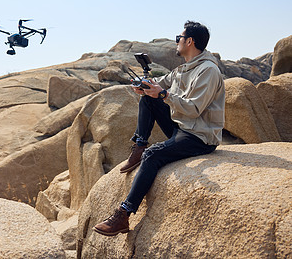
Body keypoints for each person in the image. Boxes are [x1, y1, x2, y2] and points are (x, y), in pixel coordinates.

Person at [93, 21, 225, 236]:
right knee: (148, 100)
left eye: (179, 38)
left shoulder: (208, 71)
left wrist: (163, 95)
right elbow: (162, 83)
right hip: (182, 127)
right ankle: (139, 147)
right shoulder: (185, 67)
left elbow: (193, 109)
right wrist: (146, 88)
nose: (177, 42)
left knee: (154, 155)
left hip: (200, 135)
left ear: (189, 41)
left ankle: (123, 215)